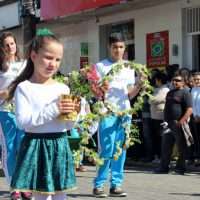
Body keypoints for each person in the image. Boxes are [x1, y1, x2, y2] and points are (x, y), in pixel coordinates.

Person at [7, 29, 77, 200]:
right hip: (36, 146)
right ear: (33, 56)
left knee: (61, 195)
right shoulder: (25, 88)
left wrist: (74, 113)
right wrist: (55, 108)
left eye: (57, 59)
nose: (52, 64)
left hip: (60, 145)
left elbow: (67, 126)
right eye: (48, 57)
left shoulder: (63, 88)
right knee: (41, 196)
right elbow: (23, 122)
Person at [92, 34, 142, 198]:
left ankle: (116, 184)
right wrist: (101, 88)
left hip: (124, 113)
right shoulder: (100, 66)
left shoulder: (129, 67)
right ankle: (98, 185)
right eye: (115, 47)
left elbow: (129, 94)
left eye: (121, 47)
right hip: (107, 112)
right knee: (106, 149)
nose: (118, 50)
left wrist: (140, 84)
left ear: (124, 49)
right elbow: (96, 92)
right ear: (109, 47)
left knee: (121, 149)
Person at [0, 32, 30, 200]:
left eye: (12, 43)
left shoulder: (24, 64)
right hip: (4, 113)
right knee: (10, 150)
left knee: (23, 149)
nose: (10, 47)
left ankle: (24, 185)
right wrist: (2, 94)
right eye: (6, 45)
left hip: (22, 112)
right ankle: (14, 187)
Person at [155, 72, 193, 175]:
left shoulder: (186, 93)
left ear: (183, 82)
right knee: (165, 146)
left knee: (182, 147)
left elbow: (189, 109)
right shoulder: (170, 93)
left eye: (178, 80)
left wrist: (181, 121)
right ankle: (163, 168)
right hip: (168, 124)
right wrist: (165, 121)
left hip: (178, 124)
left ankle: (180, 168)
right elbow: (167, 108)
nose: (175, 82)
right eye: (173, 80)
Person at [149, 71, 169, 162]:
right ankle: (157, 156)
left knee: (161, 138)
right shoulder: (157, 89)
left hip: (161, 117)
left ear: (159, 80)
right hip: (154, 117)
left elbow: (155, 99)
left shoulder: (165, 90)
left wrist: (152, 99)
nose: (155, 81)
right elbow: (151, 100)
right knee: (156, 138)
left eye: (156, 79)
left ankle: (162, 157)